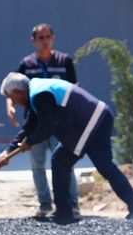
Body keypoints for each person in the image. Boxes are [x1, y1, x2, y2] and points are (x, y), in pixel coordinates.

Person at [0, 72, 133, 224]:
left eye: (10, 97)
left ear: (17, 91)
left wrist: (30, 141)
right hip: (92, 120)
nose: (12, 102)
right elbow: (29, 126)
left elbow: (47, 127)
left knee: (95, 164)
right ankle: (65, 211)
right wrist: (7, 152)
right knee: (64, 160)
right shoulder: (35, 92)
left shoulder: (40, 95)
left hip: (92, 122)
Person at [6, 23, 80, 218]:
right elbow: (13, 88)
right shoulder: (27, 64)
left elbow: (74, 91)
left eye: (48, 37)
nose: (45, 41)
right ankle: (45, 203)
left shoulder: (64, 61)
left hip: (60, 124)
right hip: (35, 122)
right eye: (41, 38)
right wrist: (10, 106)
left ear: (53, 38)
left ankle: (71, 204)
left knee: (64, 162)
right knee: (37, 165)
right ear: (33, 40)